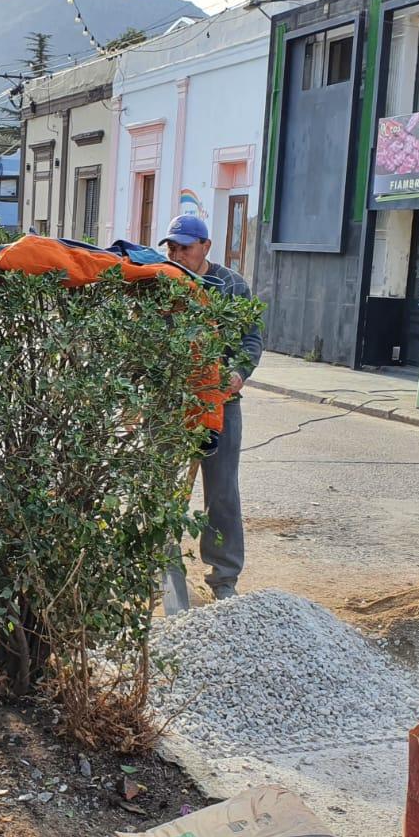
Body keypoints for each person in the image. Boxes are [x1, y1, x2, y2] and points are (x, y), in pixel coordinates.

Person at [159, 214, 262, 602]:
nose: (177, 254)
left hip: (221, 404)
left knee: (221, 493)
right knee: (164, 492)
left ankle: (224, 578)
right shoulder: (160, 282)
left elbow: (251, 339)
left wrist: (238, 372)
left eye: (184, 247)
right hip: (170, 405)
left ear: (205, 246)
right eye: (171, 247)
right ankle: (162, 572)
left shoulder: (232, 286)